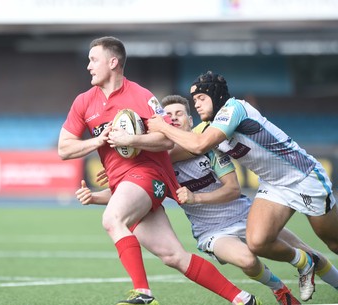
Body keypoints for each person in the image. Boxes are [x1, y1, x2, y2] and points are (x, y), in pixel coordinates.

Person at [58, 38, 262, 305]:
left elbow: (167, 140)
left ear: (113, 62)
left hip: (148, 175)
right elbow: (64, 149)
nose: (88, 66)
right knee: (173, 256)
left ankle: (143, 294)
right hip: (123, 185)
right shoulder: (84, 102)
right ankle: (243, 299)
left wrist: (131, 140)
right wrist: (98, 141)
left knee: (112, 219)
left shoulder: (142, 96)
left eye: (93, 60)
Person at [79, 95, 338, 305]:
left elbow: (232, 190)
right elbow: (134, 192)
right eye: (168, 115)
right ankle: (280, 291)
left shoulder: (208, 146)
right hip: (210, 231)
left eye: (180, 113)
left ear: (190, 119)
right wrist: (95, 197)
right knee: (247, 260)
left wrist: (194, 197)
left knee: (310, 253)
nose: (174, 118)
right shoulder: (155, 162)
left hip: (245, 214)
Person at [147, 71, 338, 302]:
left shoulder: (233, 109)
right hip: (274, 186)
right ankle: (303, 263)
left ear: (215, 95)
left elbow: (199, 145)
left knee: (333, 242)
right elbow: (172, 154)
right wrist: (128, 156)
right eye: (194, 101)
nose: (197, 105)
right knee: (258, 242)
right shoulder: (208, 127)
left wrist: (162, 126)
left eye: (200, 99)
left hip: (303, 177)